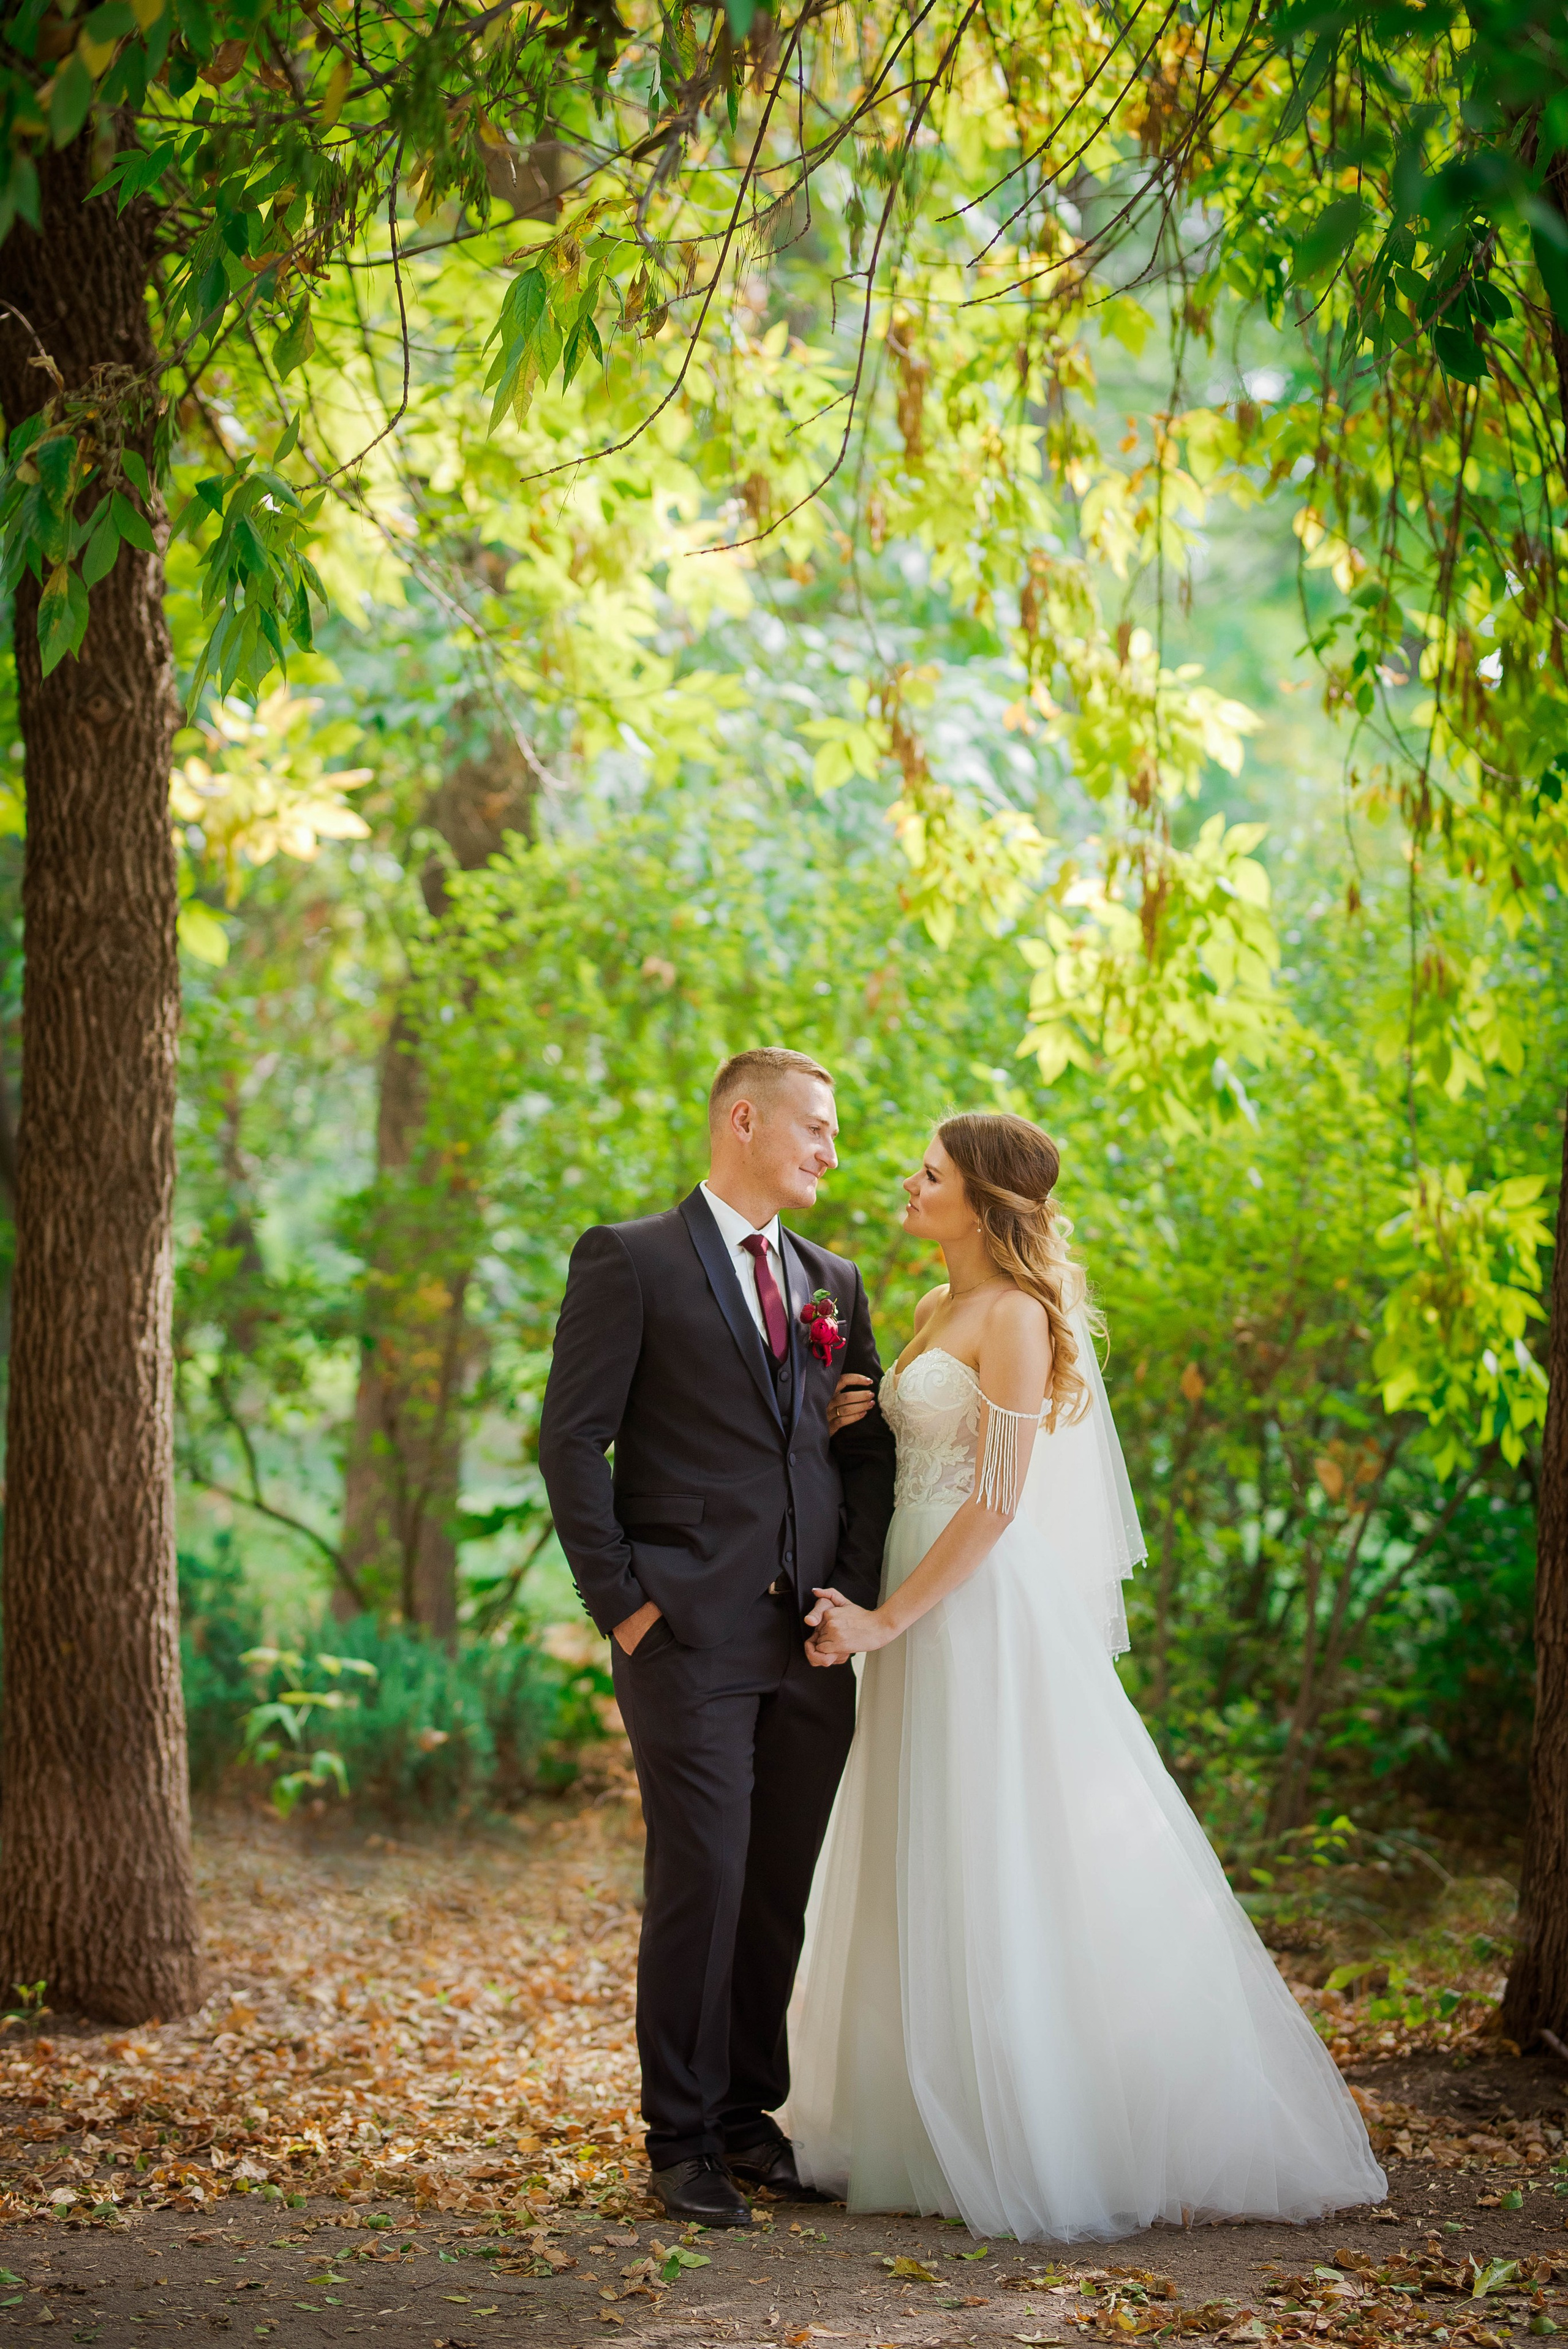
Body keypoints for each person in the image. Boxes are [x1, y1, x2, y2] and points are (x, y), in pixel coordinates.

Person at [788, 1111, 1386, 2241]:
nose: (908, 1184)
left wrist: (888, 1620)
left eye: (931, 1173)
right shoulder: (926, 1311)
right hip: (908, 1592)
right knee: (921, 1837)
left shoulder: (1015, 1316)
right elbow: (919, 1455)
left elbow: (999, 1499)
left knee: (995, 1843)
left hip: (969, 1607)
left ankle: (1039, 2124)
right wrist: (849, 1418)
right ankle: (917, 2118)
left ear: (983, 1202)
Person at [538, 1047, 897, 2227]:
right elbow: (570, 1443)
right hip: (684, 1632)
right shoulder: (630, 1259)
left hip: (808, 1641)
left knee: (777, 1886)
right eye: (817, 1128)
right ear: (745, 1120)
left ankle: (748, 2118)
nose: (832, 1154)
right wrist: (627, 1606)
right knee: (706, 1874)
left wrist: (845, 1600)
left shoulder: (833, 1279)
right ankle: (680, 2138)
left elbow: (864, 1452)